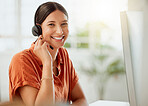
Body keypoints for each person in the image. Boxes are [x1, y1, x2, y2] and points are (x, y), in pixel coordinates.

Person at [9, 1, 88, 106]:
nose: (60, 31)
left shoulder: (62, 54)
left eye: (64, 24)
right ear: (38, 30)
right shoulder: (21, 60)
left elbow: (81, 100)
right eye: (51, 24)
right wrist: (47, 63)